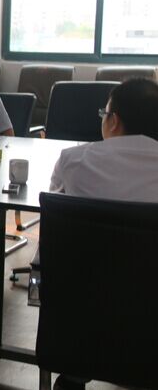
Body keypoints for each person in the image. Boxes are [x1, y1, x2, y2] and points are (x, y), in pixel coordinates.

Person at [46, 78, 158, 390]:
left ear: (114, 120)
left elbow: (55, 221)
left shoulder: (74, 160)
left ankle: (74, 374)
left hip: (83, 307)